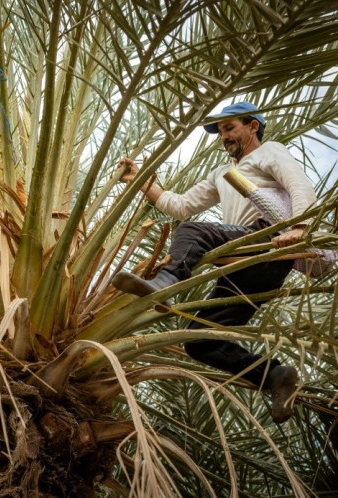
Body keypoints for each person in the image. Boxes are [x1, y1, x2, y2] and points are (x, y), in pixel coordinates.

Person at [112, 102, 316, 423]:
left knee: (193, 231)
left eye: (230, 127)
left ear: (253, 126)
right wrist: (139, 180)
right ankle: (276, 375)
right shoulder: (221, 174)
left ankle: (166, 284)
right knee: (200, 341)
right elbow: (179, 205)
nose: (224, 136)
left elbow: (298, 184)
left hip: (267, 239)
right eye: (220, 131)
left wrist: (301, 228)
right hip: (244, 264)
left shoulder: (270, 152)